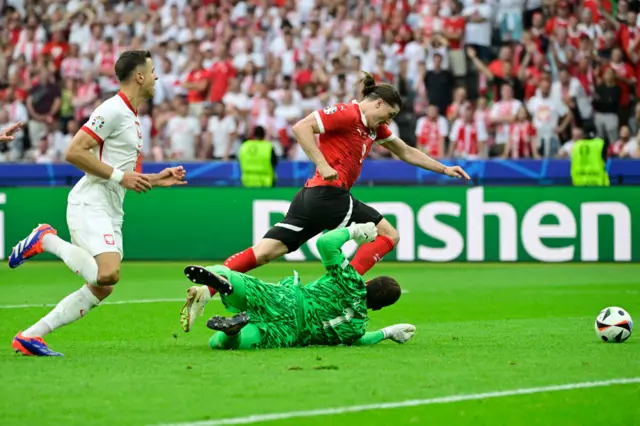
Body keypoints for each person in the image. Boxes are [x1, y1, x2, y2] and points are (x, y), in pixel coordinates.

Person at [180, 71, 469, 332]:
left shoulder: (372, 128)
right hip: (330, 195)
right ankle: (348, 284)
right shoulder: (346, 113)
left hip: (311, 198)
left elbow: (405, 151)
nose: (388, 122)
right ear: (378, 103)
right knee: (389, 234)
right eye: (389, 114)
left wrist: (444, 169)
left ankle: (207, 290)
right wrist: (323, 162)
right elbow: (301, 127)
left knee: (265, 252)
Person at [9, 50, 187, 357]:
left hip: (111, 208)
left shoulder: (132, 117)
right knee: (107, 274)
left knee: (103, 285)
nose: (157, 77)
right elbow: (75, 151)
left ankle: (30, 336)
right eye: (153, 71)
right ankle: (46, 239)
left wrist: (157, 179)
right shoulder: (113, 109)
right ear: (140, 76)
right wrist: (121, 177)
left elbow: (122, 173)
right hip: (89, 203)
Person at [182, 223, 416, 349]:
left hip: (287, 299)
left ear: (368, 282)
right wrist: (387, 332)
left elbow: (326, 243)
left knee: (231, 277)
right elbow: (363, 340)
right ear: (377, 308)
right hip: (290, 332)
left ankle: (222, 284)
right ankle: (233, 333)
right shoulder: (357, 326)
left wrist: (354, 231)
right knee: (221, 343)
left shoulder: (351, 281)